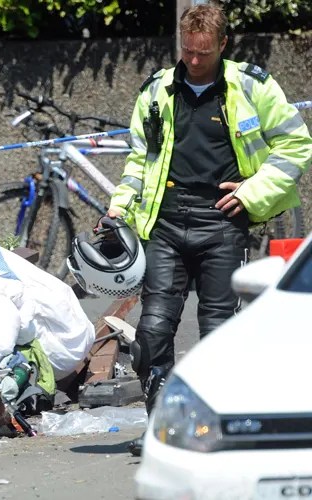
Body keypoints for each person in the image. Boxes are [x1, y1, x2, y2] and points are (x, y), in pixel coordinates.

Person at [105, 3, 312, 455]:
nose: (194, 61)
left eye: (203, 52)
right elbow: (139, 160)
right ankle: (162, 427)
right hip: (164, 221)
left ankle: (214, 427)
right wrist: (119, 209)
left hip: (223, 221)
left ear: (222, 45)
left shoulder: (252, 86)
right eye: (188, 51)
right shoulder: (157, 90)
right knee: (153, 331)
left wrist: (253, 193)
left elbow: (297, 145)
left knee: (218, 330)